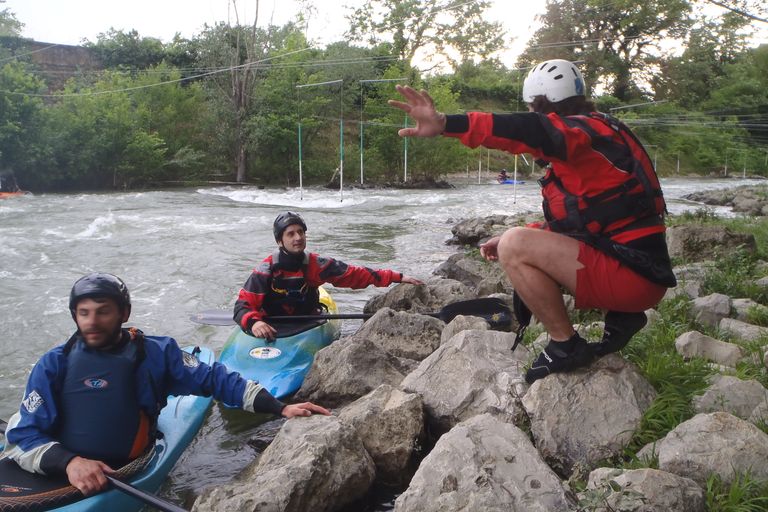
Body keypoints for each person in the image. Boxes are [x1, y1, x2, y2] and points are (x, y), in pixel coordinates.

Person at [389, 59, 676, 384]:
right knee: (517, 238)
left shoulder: (578, 133)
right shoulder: (598, 137)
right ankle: (621, 317)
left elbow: (529, 130)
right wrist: (534, 234)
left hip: (633, 279)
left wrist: (447, 123)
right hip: (640, 274)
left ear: (541, 106)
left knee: (514, 244)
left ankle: (565, 345)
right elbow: (585, 221)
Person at [2, 272, 330, 496]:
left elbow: (217, 380)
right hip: (63, 466)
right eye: (83, 312)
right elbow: (24, 437)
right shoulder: (54, 363)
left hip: (126, 471)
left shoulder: (156, 354)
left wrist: (280, 407)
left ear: (124, 312)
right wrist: (70, 462)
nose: (92, 321)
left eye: (103, 311)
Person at [235, 211, 424, 340]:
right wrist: (253, 323)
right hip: (273, 325)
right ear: (279, 241)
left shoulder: (317, 265)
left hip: (307, 323)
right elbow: (242, 306)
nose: (298, 238)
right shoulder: (265, 270)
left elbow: (355, 275)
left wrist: (396, 277)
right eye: (290, 234)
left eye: (301, 232)